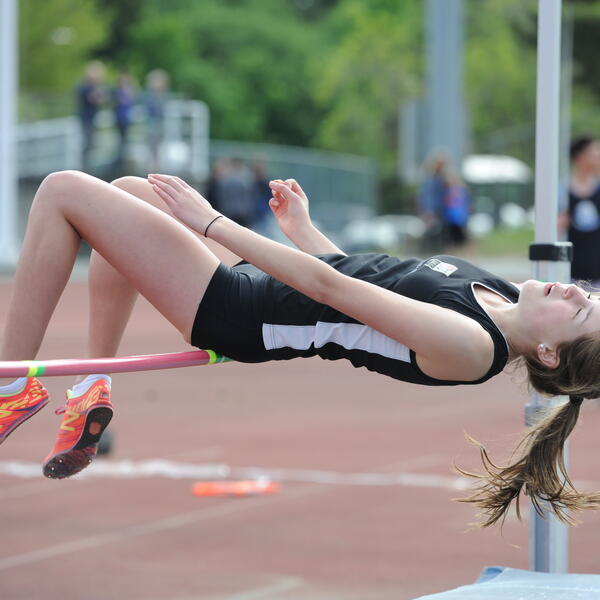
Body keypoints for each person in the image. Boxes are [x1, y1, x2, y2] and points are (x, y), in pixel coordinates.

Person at [0, 170, 599, 528]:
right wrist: (305, 231)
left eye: (578, 309)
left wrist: (212, 222)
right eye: (588, 294)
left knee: (62, 192)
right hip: (264, 287)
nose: (573, 288)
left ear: (547, 352)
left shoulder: (472, 345)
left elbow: (329, 288)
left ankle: (8, 387)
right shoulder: (492, 293)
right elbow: (367, 280)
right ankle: (93, 390)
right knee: (131, 192)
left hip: (243, 313)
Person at [560, 135, 600, 286]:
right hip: (571, 271)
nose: (597, 156)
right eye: (593, 152)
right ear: (580, 157)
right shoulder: (562, 191)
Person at [75, 61, 107, 169]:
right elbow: (95, 99)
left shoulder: (93, 87)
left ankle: (87, 167)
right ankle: (83, 168)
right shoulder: (85, 87)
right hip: (86, 119)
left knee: (91, 144)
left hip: (92, 119)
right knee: (86, 144)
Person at [112, 70, 137, 172]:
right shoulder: (118, 92)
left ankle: (123, 160)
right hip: (120, 119)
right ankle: (120, 162)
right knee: (121, 140)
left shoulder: (128, 91)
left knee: (125, 140)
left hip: (126, 119)